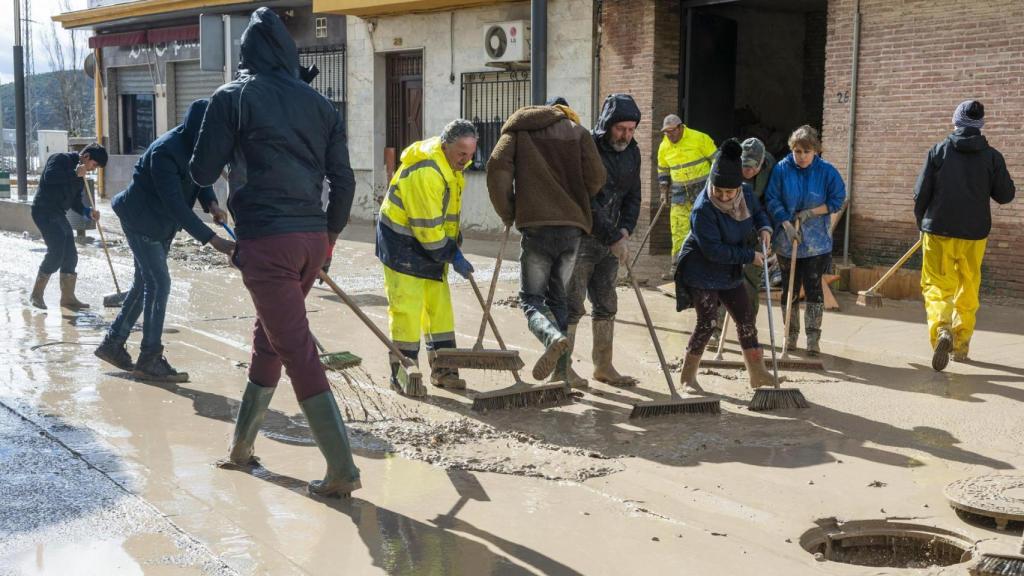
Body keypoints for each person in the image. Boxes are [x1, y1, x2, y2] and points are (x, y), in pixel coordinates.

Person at [190, 8, 359, 498]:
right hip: (310, 240)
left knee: (297, 349)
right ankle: (241, 449)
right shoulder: (322, 105)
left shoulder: (233, 97)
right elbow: (343, 181)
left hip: (267, 243)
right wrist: (328, 238)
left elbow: (201, 171)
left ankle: (342, 470)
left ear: (247, 53)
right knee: (271, 339)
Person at [94, 99, 235, 381]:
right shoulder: (165, 152)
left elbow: (200, 179)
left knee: (145, 282)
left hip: (160, 223)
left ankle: (112, 344)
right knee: (159, 283)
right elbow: (175, 205)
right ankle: (150, 357)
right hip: (141, 219)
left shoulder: (198, 146)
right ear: (195, 130)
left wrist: (212, 205)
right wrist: (212, 239)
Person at [487, 99, 606, 386]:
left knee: (531, 299)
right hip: (572, 230)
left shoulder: (518, 131)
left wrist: (508, 210)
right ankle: (561, 372)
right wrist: (574, 197)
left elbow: (495, 167)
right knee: (559, 298)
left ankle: (551, 337)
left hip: (536, 227)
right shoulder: (578, 132)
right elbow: (597, 178)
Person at [376, 119, 478, 393]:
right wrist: (450, 254)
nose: (466, 159)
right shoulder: (427, 172)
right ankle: (402, 375)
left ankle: (445, 370)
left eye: (471, 154)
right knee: (407, 310)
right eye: (461, 153)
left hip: (429, 241)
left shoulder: (453, 167)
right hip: (402, 244)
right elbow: (427, 229)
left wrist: (453, 242)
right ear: (445, 147)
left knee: (439, 309)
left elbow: (445, 214)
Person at [913, 100, 1014, 371]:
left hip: (938, 230)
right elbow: (1006, 195)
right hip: (974, 233)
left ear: (955, 120)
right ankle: (960, 343)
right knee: (967, 286)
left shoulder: (939, 151)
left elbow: (920, 193)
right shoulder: (992, 156)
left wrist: (921, 222)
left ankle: (941, 329)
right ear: (980, 125)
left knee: (936, 285)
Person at [674, 139, 775, 391]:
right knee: (707, 322)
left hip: (729, 269)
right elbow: (713, 250)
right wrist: (749, 256)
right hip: (701, 268)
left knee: (746, 317)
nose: (723, 196)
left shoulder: (746, 194)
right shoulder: (703, 209)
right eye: (718, 191)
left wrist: (764, 228)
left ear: (738, 189)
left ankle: (758, 373)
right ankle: (688, 377)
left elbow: (759, 211)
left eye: (729, 193)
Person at [566, 94, 642, 387]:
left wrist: (625, 230)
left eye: (631, 129)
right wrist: (611, 236)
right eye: (621, 129)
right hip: (583, 237)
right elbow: (587, 199)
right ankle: (563, 367)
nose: (626, 135)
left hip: (612, 241)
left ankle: (603, 365)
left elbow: (633, 195)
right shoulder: (589, 149)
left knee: (607, 302)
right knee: (572, 303)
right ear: (608, 124)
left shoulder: (633, 153)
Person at [765, 125, 846, 357]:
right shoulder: (782, 169)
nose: (800, 157)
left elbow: (838, 198)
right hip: (786, 240)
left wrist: (812, 212)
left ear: (816, 152)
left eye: (806, 152)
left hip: (816, 242)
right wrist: (787, 224)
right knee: (788, 288)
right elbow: (772, 199)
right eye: (797, 151)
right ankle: (789, 337)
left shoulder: (827, 171)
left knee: (813, 288)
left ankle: (812, 338)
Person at [708, 137, 777, 349]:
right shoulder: (725, 165)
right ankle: (715, 329)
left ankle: (747, 330)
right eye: (744, 167)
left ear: (761, 164)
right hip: (727, 227)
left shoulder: (771, 168)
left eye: (751, 168)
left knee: (750, 283)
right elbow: (714, 199)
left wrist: (767, 229)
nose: (747, 172)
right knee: (721, 279)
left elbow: (767, 202)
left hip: (753, 229)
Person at [29, 142, 108, 310]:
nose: (92, 169)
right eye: (93, 165)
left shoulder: (81, 176)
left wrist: (87, 212)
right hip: (43, 210)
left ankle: (67, 298)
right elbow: (50, 178)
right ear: (86, 157)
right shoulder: (60, 159)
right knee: (57, 250)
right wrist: (74, 174)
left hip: (58, 213)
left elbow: (74, 202)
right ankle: (36, 294)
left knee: (71, 254)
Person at [657, 114, 717, 279]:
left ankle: (706, 267)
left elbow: (716, 161)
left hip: (702, 192)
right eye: (666, 132)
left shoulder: (699, 138)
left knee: (704, 228)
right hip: (679, 194)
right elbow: (663, 170)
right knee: (678, 230)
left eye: (672, 131)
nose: (669, 135)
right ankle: (677, 268)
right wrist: (663, 191)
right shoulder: (664, 146)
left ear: (680, 127)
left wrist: (715, 186)